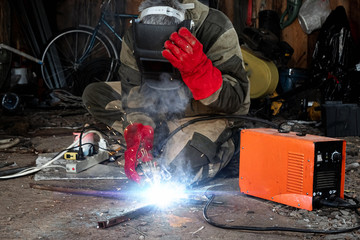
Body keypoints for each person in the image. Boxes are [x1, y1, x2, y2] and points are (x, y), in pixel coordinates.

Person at [82, 0, 250, 185]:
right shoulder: (135, 34)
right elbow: (134, 97)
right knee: (94, 94)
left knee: (177, 175)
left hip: (208, 112)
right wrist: (139, 137)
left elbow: (234, 100)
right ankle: (161, 136)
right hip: (160, 105)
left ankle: (227, 143)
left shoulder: (214, 27)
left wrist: (199, 71)